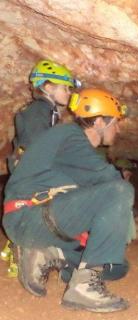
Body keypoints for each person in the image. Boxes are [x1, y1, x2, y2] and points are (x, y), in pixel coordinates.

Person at [2, 88, 133, 313]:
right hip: (31, 214)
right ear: (100, 122)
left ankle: (49, 253)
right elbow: (110, 183)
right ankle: (82, 288)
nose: (119, 129)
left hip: (43, 221)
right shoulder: (69, 135)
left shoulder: (73, 150)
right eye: (116, 122)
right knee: (120, 190)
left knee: (117, 266)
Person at [2, 59, 79, 277]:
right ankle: (40, 250)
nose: (69, 92)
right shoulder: (39, 112)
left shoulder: (46, 112)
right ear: (48, 87)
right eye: (65, 87)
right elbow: (38, 153)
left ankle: (43, 248)